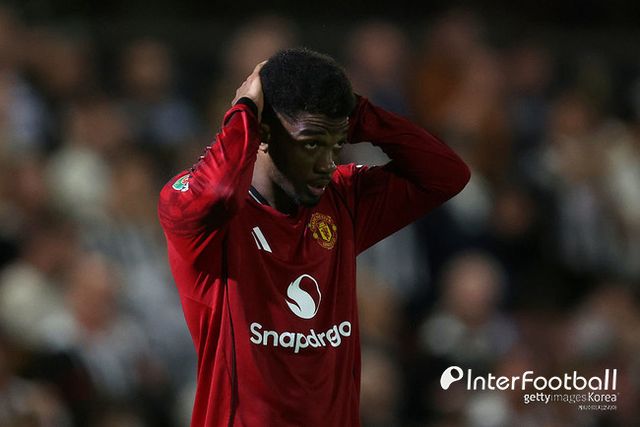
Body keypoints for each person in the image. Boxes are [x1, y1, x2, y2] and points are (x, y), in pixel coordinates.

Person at [158, 48, 470, 426]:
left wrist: (361, 115)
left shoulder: (342, 198)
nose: (327, 164)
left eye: (335, 145)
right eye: (311, 144)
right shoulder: (203, 215)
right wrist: (244, 112)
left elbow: (446, 174)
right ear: (264, 132)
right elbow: (219, 193)